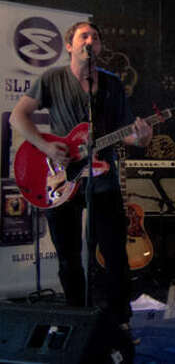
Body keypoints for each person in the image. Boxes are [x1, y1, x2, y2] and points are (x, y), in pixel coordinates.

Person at [10, 21, 152, 345]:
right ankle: (74, 318)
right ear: (70, 45)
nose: (91, 40)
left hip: (103, 177)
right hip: (61, 177)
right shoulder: (51, 79)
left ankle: (120, 322)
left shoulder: (113, 85)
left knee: (115, 253)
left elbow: (128, 131)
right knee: (68, 255)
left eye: (96, 37)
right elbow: (19, 116)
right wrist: (46, 147)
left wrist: (143, 136)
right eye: (84, 36)